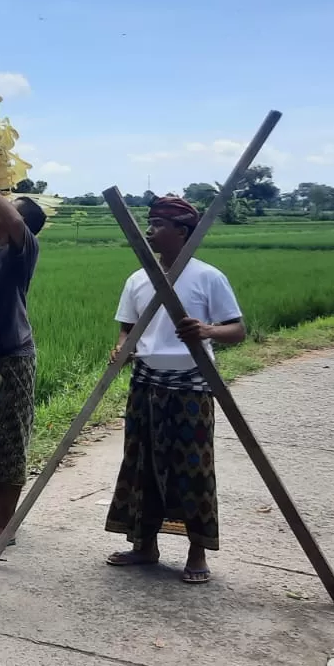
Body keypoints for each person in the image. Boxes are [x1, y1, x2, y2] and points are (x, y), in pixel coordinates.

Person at [103, 195, 245, 585]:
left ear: (182, 231)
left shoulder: (207, 277)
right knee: (141, 464)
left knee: (192, 469)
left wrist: (207, 330)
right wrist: (122, 347)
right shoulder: (137, 279)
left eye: (159, 225)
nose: (150, 231)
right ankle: (143, 544)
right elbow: (127, 328)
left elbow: (237, 330)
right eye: (149, 223)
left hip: (192, 388)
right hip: (146, 384)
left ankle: (196, 552)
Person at [0, 154, 48, 545]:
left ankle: (6, 523)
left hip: (12, 356)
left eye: (3, 206)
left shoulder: (23, 251)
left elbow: (15, 221)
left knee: (9, 439)